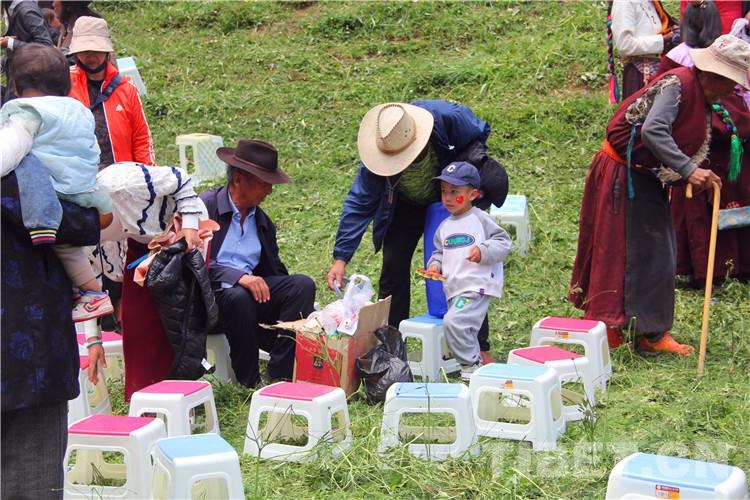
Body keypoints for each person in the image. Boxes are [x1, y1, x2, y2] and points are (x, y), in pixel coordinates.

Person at [569, 35, 750, 355]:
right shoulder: (677, 85)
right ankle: (610, 326)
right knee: (621, 250)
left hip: (646, 175)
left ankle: (650, 332)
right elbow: (654, 131)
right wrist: (688, 169)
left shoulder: (704, 97)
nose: (733, 89)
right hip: (622, 173)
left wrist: (691, 172)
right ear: (714, 74)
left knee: (658, 253)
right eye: (732, 81)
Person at [326, 100, 508, 365]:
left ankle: (479, 346)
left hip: (450, 195)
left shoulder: (449, 118)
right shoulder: (378, 154)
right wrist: (341, 258)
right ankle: (391, 348)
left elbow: (481, 131)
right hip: (403, 204)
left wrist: (463, 176)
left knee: (466, 266)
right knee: (393, 266)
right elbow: (359, 203)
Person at [0, 59, 102, 500]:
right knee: (32, 481)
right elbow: (85, 220)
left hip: (32, 351)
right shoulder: (32, 159)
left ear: (15, 87)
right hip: (33, 351)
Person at [1, 43, 114, 323]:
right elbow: (92, 149)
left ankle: (92, 292)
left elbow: (9, 152)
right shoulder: (77, 111)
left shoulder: (26, 113)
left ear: (15, 86)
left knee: (59, 242)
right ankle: (88, 291)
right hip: (84, 187)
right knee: (68, 248)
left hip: (50, 194)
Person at [200, 139, 316, 388]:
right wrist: (237, 276)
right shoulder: (204, 208)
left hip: (250, 298)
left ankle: (280, 374)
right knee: (238, 296)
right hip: (210, 300)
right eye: (264, 184)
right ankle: (248, 381)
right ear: (239, 179)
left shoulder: (262, 222)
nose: (269, 192)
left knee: (302, 285)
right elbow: (191, 263)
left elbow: (273, 271)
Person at [67, 15, 155, 329]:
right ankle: (94, 323)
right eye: (84, 50)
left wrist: (148, 182)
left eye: (96, 50)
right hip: (80, 185)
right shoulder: (65, 86)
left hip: (121, 185)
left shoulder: (125, 89)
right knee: (85, 252)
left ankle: (120, 319)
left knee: (121, 252)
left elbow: (142, 138)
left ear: (107, 52)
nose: (90, 56)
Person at [657, 26, 750, 286]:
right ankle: (702, 271)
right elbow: (659, 129)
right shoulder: (680, 80)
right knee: (698, 217)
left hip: (730, 166)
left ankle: (737, 267)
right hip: (696, 164)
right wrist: (687, 167)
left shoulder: (725, 93)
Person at [425, 162, 511, 381]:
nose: (448, 197)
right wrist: (435, 265)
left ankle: (471, 366)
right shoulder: (444, 226)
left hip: (477, 285)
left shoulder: (480, 219)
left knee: (454, 322)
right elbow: (439, 252)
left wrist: (483, 251)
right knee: (463, 326)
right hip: (454, 288)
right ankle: (476, 368)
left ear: (473, 194)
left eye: (455, 192)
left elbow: (503, 241)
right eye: (444, 191)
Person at [610, 0, 678, 99]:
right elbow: (625, 45)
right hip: (641, 76)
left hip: (657, 72)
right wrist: (663, 40)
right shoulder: (624, 2)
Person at [1, 0, 53, 101]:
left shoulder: (27, 11)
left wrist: (10, 43)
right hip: (18, 75)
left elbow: (46, 46)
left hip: (30, 80)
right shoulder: (13, 8)